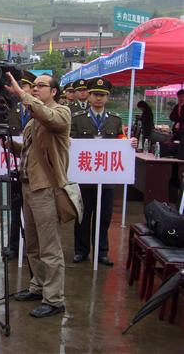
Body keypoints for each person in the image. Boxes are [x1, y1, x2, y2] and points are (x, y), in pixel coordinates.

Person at [6, 73, 70, 318]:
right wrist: (10, 145)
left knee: (49, 247)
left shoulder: (61, 112)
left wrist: (21, 94)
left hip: (46, 188)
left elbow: (49, 118)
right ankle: (38, 286)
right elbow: (29, 150)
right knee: (32, 244)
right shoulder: (33, 119)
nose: (34, 89)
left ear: (54, 91)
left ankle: (54, 299)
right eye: (33, 86)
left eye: (41, 86)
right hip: (29, 185)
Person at [71, 78, 137, 266]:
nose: (98, 98)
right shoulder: (78, 118)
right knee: (82, 216)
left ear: (107, 97)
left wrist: (129, 142)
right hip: (84, 177)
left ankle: (101, 252)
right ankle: (81, 250)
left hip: (106, 178)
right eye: (95, 94)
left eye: (102, 95)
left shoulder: (115, 119)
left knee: (104, 217)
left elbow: (121, 139)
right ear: (89, 96)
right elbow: (70, 141)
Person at [4, 70, 35, 259]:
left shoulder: (38, 111)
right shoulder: (11, 110)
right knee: (15, 208)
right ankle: (14, 245)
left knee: (34, 212)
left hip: (35, 169)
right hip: (16, 166)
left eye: (23, 86)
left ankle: (31, 248)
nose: (19, 89)